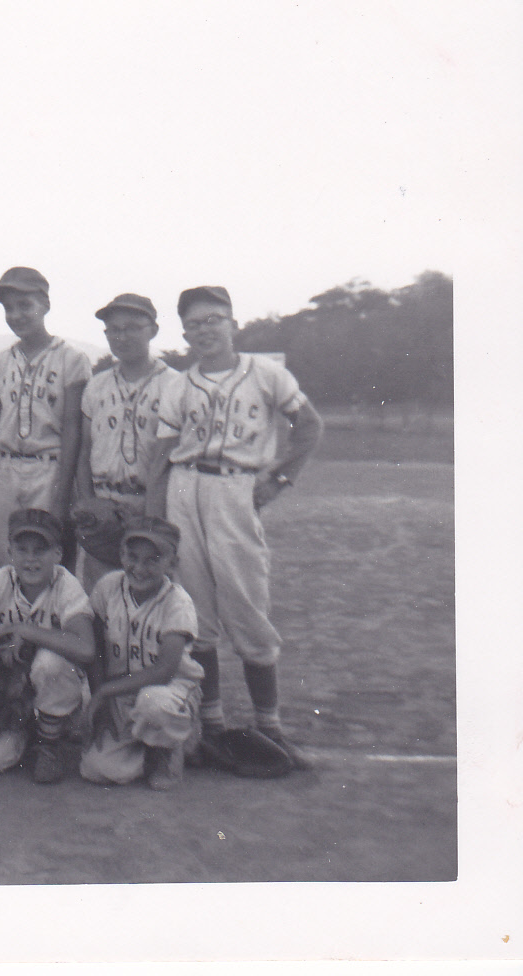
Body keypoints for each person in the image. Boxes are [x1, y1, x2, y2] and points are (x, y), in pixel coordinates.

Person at [146, 285, 324, 768]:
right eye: (194, 324)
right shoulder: (178, 385)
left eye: (214, 320)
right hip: (184, 488)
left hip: (235, 488)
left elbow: (310, 426)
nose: (204, 330)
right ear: (185, 333)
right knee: (197, 613)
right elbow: (161, 455)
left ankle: (270, 726)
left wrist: (280, 479)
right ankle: (213, 728)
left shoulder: (265, 373)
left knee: (247, 606)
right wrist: (155, 517)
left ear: (233, 324)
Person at [0, 508, 95, 783]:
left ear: (58, 554)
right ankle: (28, 727)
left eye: (40, 550)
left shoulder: (66, 586)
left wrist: (27, 631)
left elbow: (86, 648)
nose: (31, 559)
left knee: (49, 662)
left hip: (53, 681)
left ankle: (50, 742)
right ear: (9, 552)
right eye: (22, 549)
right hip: (6, 684)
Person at [78, 516, 203, 791]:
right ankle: (144, 747)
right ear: (121, 555)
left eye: (152, 560)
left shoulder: (178, 602)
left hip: (170, 690)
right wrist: (103, 700)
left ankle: (168, 748)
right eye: (132, 557)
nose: (139, 568)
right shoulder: (109, 586)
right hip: (121, 693)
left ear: (172, 563)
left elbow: (164, 672)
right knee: (98, 769)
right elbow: (96, 648)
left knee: (154, 704)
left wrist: (104, 692)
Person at [0, 267, 91, 570]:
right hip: (5, 469)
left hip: (50, 469)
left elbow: (72, 431)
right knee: (5, 562)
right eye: (8, 308)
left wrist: (62, 494)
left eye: (24, 305)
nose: (16, 315)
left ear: (45, 305)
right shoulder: (1, 362)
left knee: (48, 561)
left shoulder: (71, 358)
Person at [74, 293, 178, 593]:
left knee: (151, 594)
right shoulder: (97, 385)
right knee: (101, 594)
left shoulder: (175, 384)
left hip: (153, 503)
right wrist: (89, 501)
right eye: (114, 330)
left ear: (153, 330)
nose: (122, 336)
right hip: (105, 502)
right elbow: (84, 449)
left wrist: (153, 515)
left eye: (132, 327)